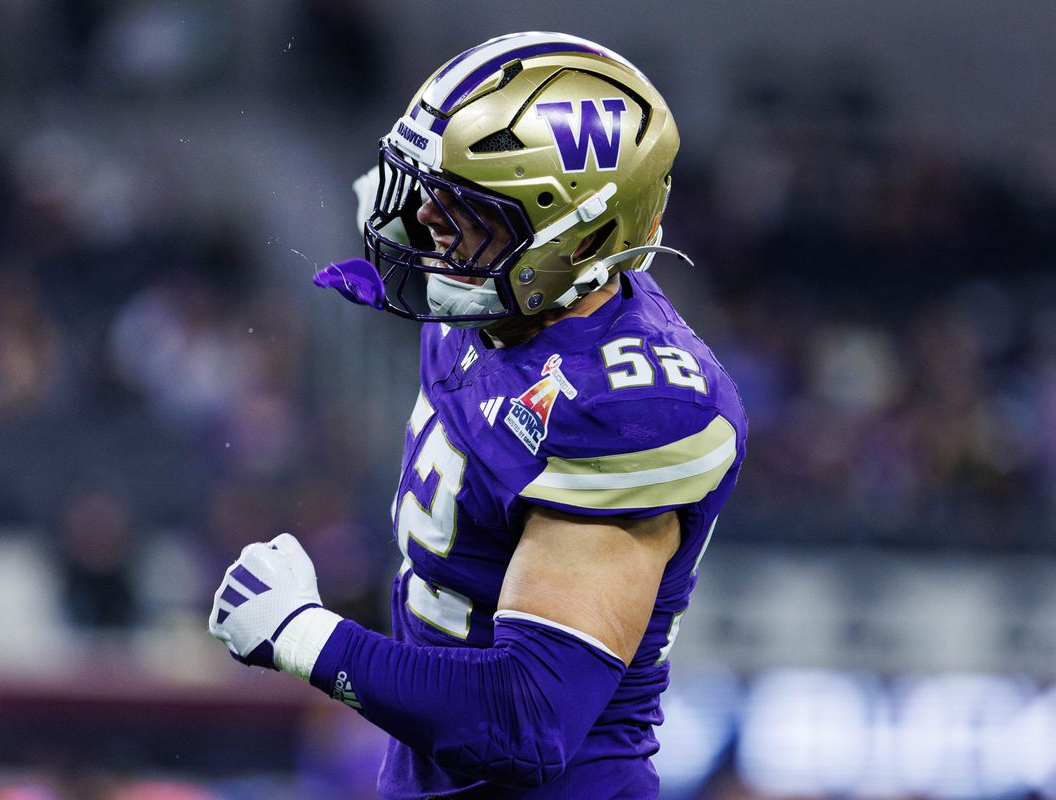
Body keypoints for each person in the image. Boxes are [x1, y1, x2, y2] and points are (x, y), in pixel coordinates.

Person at [209, 31, 747, 799]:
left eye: (467, 203)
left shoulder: (634, 405)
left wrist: (305, 635)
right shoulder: (492, 296)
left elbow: (528, 723)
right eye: (432, 185)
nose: (426, 216)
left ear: (578, 237)